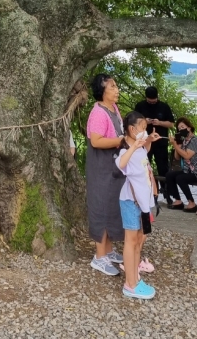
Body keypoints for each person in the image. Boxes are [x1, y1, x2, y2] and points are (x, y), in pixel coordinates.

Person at [115, 111, 161, 300]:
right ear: (132, 129)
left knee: (138, 242)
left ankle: (134, 278)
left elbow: (145, 154)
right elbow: (120, 164)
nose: (145, 131)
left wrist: (148, 139)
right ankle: (130, 284)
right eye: (143, 128)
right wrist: (134, 145)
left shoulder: (140, 147)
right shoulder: (126, 149)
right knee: (131, 241)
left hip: (142, 203)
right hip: (130, 202)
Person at [86, 74, 126, 276]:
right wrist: (120, 141)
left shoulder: (113, 108)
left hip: (113, 166)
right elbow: (96, 141)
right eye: (112, 86)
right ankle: (99, 257)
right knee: (101, 207)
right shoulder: (98, 113)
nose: (116, 89)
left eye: (116, 85)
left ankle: (108, 251)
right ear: (102, 90)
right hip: (101, 166)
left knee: (111, 205)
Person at [134, 86, 174, 192]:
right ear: (146, 98)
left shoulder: (164, 107)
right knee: (145, 166)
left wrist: (160, 122)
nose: (152, 102)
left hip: (160, 142)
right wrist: (144, 122)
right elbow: (132, 124)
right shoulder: (140, 106)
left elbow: (171, 124)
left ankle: (167, 192)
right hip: (145, 142)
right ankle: (149, 190)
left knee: (163, 168)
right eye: (149, 101)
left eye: (154, 100)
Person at [164, 117, 197, 211]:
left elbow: (187, 156)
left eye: (183, 127)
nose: (181, 130)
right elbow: (177, 157)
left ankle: (192, 203)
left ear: (189, 127)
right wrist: (177, 145)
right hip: (187, 171)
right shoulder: (184, 141)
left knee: (180, 178)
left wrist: (174, 145)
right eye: (179, 129)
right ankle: (178, 200)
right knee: (170, 175)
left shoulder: (195, 140)